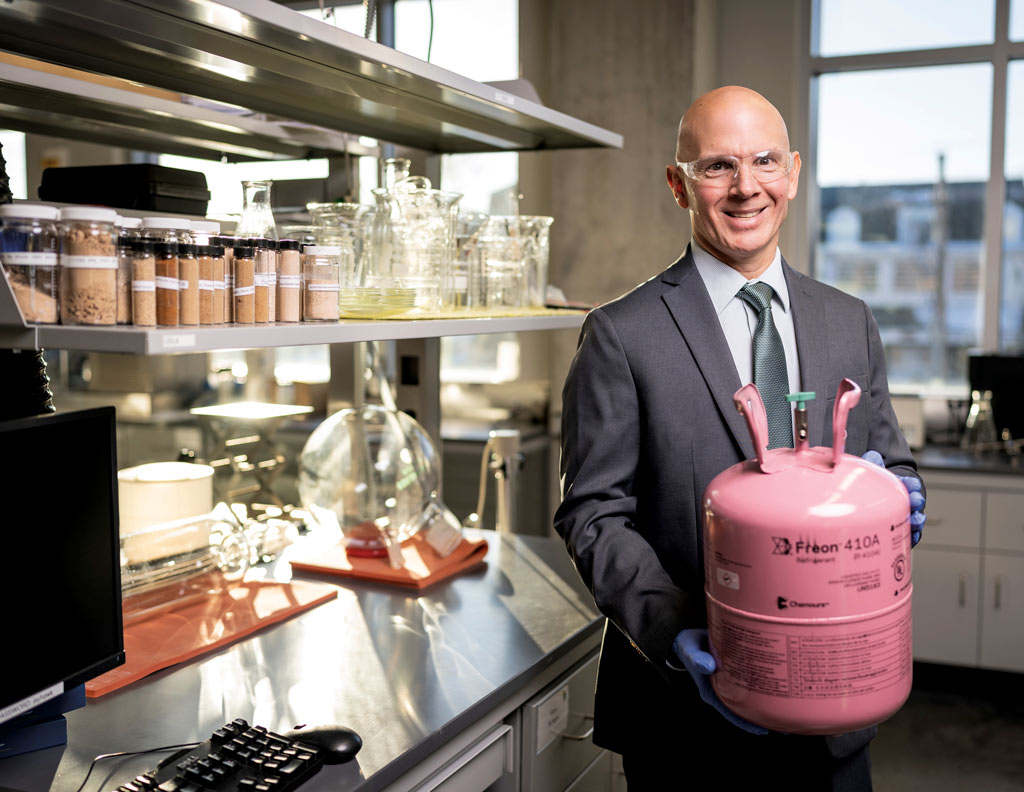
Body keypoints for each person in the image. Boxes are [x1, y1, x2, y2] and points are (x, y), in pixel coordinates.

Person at [554, 85, 926, 790]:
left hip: (836, 717)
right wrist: (678, 634)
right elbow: (593, 514)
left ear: (792, 172)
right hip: (686, 727)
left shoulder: (849, 322)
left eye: (763, 162)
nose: (746, 187)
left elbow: (893, 466)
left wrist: (901, 498)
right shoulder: (622, 335)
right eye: (718, 166)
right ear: (678, 184)